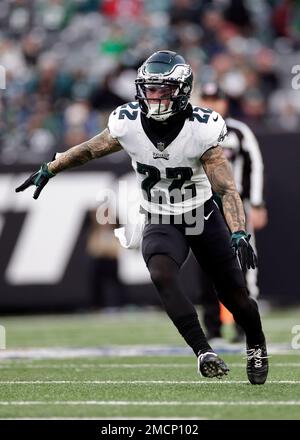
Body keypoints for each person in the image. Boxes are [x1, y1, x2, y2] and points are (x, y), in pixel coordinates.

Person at [15, 50, 268, 384]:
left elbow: (226, 187)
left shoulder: (201, 128)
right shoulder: (128, 121)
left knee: (235, 295)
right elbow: (90, 149)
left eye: (163, 90)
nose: (155, 96)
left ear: (181, 91)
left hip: (202, 215)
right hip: (161, 216)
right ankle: (203, 350)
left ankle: (256, 342)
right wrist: (51, 167)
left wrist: (237, 231)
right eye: (150, 89)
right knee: (161, 273)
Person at [199, 82, 268, 342]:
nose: (211, 103)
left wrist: (257, 203)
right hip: (203, 207)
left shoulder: (238, 131)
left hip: (235, 207)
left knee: (243, 263)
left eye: (215, 98)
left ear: (225, 102)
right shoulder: (192, 130)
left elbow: (255, 166)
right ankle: (213, 328)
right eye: (206, 98)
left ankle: (245, 326)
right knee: (206, 266)